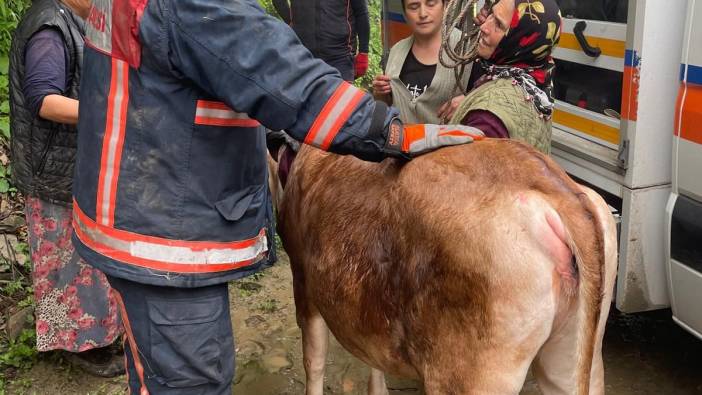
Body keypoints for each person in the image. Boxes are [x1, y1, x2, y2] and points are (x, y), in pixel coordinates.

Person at [72, 0, 482, 393]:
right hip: (161, 233)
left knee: (167, 373)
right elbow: (288, 80)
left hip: (144, 210)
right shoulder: (197, 5)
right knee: (189, 382)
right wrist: (393, 133)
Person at [8, 0, 123, 377]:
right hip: (53, 173)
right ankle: (81, 348)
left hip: (74, 166)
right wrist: (112, 110)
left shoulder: (76, 21)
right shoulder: (49, 25)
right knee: (67, 266)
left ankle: (99, 337)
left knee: (88, 262)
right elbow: (45, 100)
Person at [450, 0, 561, 154]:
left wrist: (473, 108)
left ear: (520, 40)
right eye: (491, 15)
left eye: (499, 25)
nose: (483, 27)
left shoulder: (488, 120)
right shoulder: (537, 79)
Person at [372, 0, 470, 124]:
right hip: (403, 141)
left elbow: (490, 95)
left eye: (431, 4)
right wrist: (381, 94)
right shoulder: (396, 52)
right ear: (405, 14)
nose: (423, 13)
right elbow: (388, 107)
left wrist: (469, 100)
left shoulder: (466, 49)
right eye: (413, 7)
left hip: (453, 142)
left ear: (445, 6)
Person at [272, 0, 370, 81]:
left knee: (338, 102)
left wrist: (363, 52)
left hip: (340, 56)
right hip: (304, 56)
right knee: (308, 103)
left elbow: (361, 12)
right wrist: (291, 21)